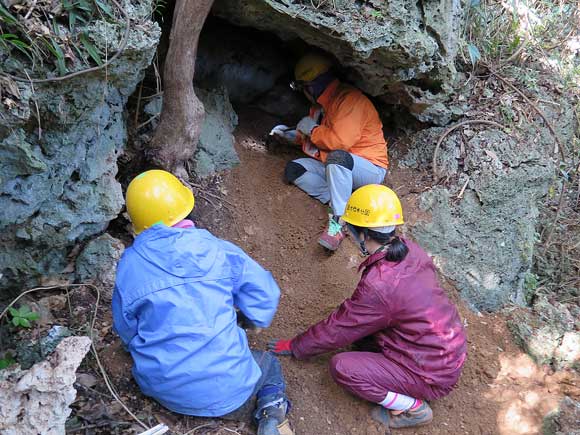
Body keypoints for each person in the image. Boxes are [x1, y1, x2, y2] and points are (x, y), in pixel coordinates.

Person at [267, 184, 467, 429]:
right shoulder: (411, 251)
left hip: (431, 374)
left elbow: (340, 327)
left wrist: (297, 345)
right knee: (364, 339)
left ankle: (412, 409)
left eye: (351, 229)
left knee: (344, 367)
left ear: (363, 234)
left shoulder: (380, 285)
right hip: (444, 351)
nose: (349, 233)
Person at [112, 170, 293, 435]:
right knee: (269, 365)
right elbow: (265, 295)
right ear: (184, 208)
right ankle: (271, 413)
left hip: (161, 388)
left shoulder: (129, 266)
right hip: (230, 390)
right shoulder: (218, 250)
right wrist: (251, 319)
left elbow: (126, 329)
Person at [271, 53, 389, 251]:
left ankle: (338, 222)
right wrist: (288, 135)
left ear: (310, 85)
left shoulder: (350, 100)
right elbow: (310, 138)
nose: (303, 93)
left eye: (303, 88)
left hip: (369, 169)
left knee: (337, 158)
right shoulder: (319, 107)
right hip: (338, 166)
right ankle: (348, 205)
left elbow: (340, 142)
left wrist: (312, 130)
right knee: (295, 169)